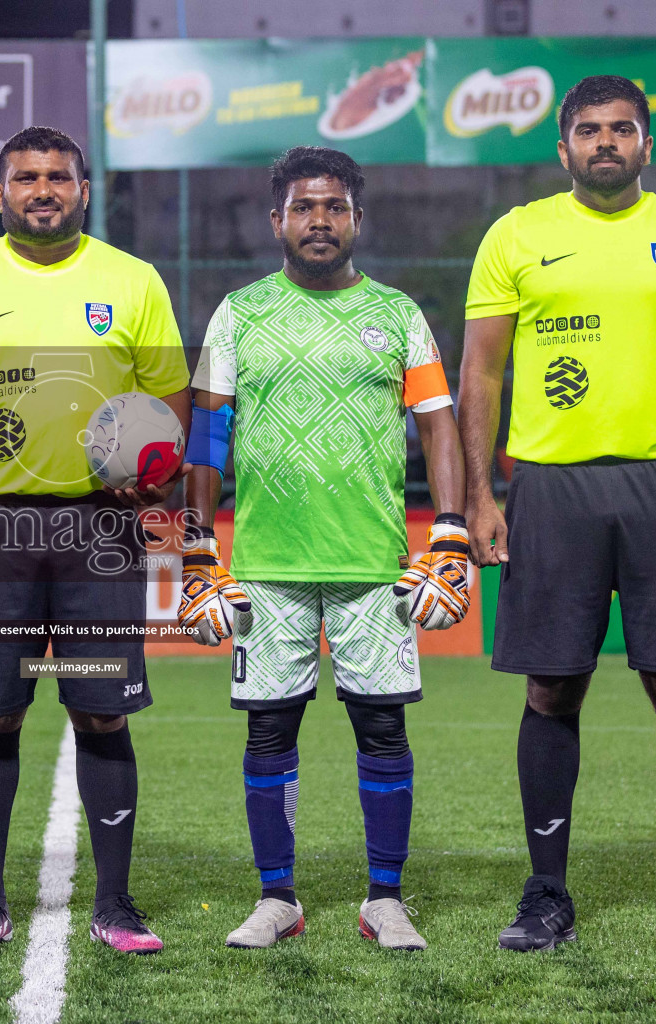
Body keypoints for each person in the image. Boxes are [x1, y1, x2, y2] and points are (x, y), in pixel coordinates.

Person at [459, 76, 656, 959]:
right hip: (551, 488)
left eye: (620, 129)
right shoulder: (515, 236)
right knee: (551, 686)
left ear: (646, 146)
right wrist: (479, 493)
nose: (604, 143)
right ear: (562, 148)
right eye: (587, 130)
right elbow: (479, 373)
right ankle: (546, 892)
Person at [0, 126, 190, 954]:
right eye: (25, 178)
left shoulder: (131, 281)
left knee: (101, 713)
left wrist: (155, 476)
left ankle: (116, 903)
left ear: (83, 191)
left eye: (58, 177)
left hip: (99, 533)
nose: (43, 190)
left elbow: (172, 403)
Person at [179, 147, 467, 952]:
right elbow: (207, 431)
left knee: (382, 729)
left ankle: (385, 899)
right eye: (304, 207)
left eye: (334, 207)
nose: (319, 220)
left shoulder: (400, 313)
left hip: (374, 565)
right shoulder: (238, 314)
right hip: (267, 566)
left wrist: (448, 530)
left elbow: (439, 423)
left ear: (356, 220)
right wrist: (198, 550)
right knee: (269, 731)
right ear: (277, 220)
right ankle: (279, 900)